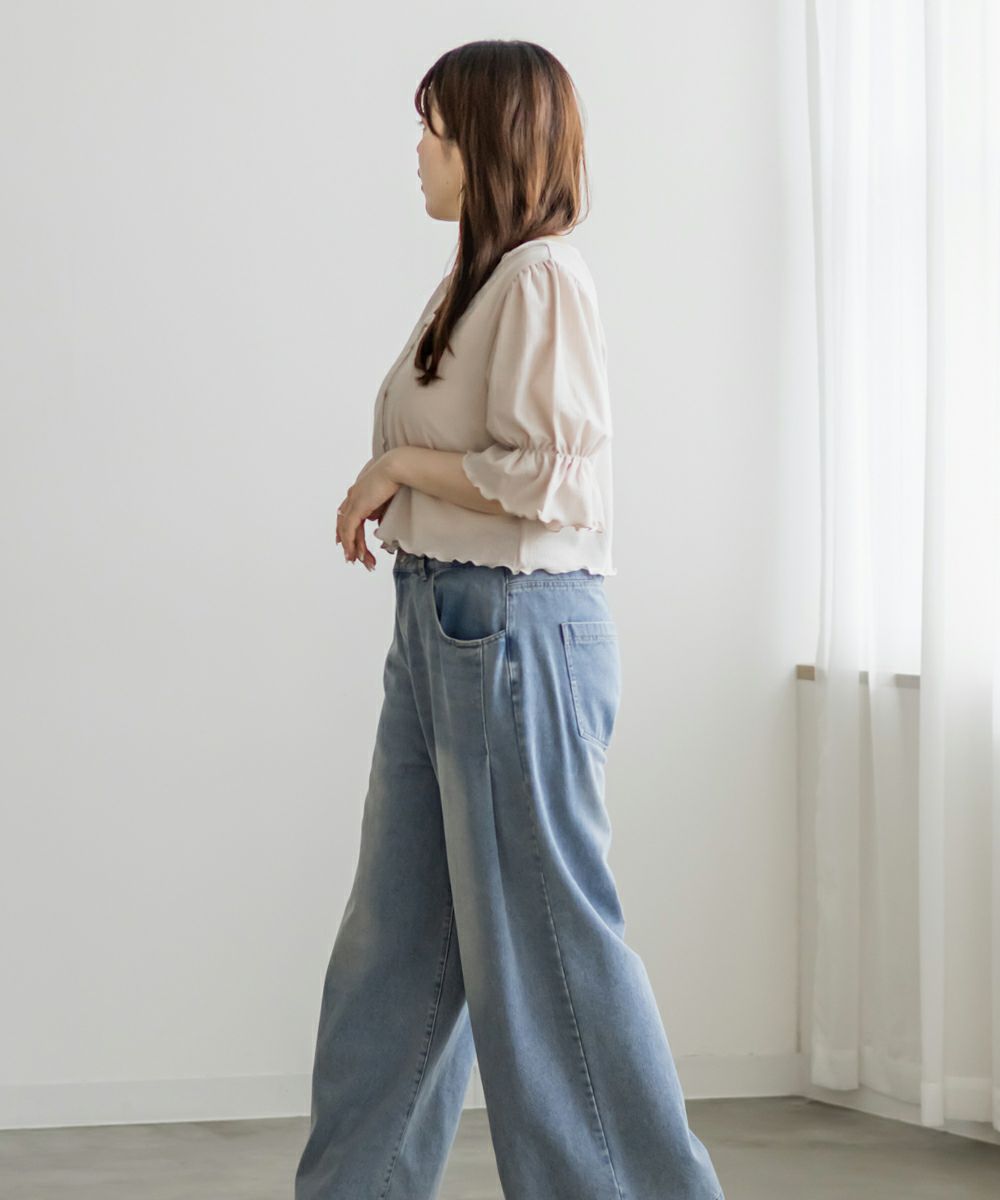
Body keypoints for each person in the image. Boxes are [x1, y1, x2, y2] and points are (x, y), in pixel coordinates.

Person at [294, 39, 725, 1200]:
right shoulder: (474, 282)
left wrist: (395, 466)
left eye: (433, 131)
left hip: (515, 633)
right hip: (439, 624)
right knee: (390, 954)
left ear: (487, 147)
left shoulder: (540, 277)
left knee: (549, 960)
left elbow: (552, 478)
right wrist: (401, 488)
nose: (417, 153)